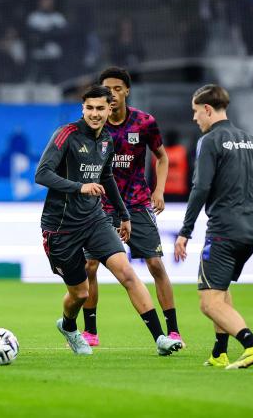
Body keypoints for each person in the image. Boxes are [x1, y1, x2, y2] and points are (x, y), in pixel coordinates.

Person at [35, 85, 183, 356]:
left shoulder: (107, 140)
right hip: (61, 227)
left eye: (100, 108)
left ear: (109, 109)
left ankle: (160, 338)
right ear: (83, 109)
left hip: (95, 220)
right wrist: (79, 187)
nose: (94, 113)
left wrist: (124, 214)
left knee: (126, 272)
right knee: (79, 294)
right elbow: (41, 174)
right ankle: (69, 326)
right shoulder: (66, 134)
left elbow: (106, 178)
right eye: (89, 108)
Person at [174, 84, 253, 369]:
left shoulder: (210, 140)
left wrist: (185, 231)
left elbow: (201, 188)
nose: (194, 118)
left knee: (208, 303)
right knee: (220, 290)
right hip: (250, 231)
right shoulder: (251, 140)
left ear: (208, 110)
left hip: (224, 230)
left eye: (196, 112)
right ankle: (219, 352)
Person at [81, 67, 183, 347]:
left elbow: (162, 157)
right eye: (106, 89)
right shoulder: (93, 124)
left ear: (126, 90)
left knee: (155, 264)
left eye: (116, 89)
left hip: (137, 202)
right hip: (101, 205)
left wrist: (159, 189)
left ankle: (173, 330)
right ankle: (91, 332)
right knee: (89, 266)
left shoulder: (144, 122)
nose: (111, 94)